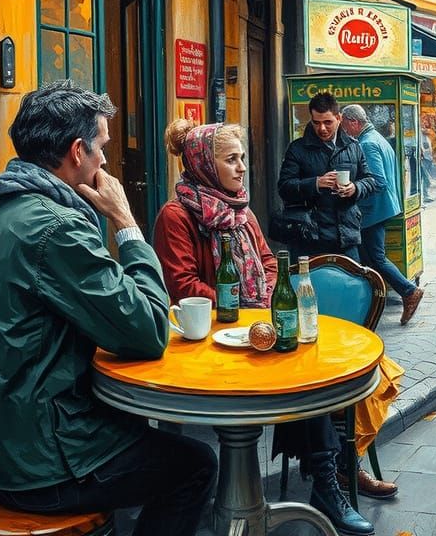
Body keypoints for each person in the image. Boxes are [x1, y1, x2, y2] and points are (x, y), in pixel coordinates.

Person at [0, 81, 217, 536]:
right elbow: (148, 330)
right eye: (102, 147)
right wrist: (127, 222)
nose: (106, 162)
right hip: (38, 465)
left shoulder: (2, 211)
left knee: (143, 432)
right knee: (196, 465)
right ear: (77, 151)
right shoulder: (55, 227)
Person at [153, 120, 388, 533]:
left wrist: (263, 299)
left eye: (242, 157)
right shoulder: (177, 215)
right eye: (231, 159)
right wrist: (246, 309)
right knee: (295, 370)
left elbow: (267, 260)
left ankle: (325, 480)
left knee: (306, 371)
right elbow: (184, 286)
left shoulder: (238, 207)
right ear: (204, 164)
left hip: (252, 332)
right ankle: (318, 480)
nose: (242, 167)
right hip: (207, 347)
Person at [341, 104, 425, 325]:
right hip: (382, 207)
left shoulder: (367, 143)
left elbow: (378, 181)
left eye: (344, 126)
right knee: (370, 258)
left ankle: (408, 291)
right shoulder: (376, 138)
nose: (344, 131)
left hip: (374, 210)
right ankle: (377, 298)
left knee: (374, 257)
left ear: (353, 122)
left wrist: (353, 187)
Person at [277, 91, 377, 261]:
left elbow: (370, 181)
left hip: (346, 235)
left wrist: (355, 188)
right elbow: (284, 187)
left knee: (350, 284)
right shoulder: (297, 149)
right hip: (309, 237)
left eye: (327, 122)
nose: (322, 128)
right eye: (316, 123)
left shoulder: (353, 146)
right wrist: (316, 183)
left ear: (338, 118)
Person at [419, 116, 436, 202]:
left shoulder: (429, 132)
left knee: (427, 177)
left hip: (429, 157)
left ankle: (426, 195)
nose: (424, 124)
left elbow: (435, 143)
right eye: (422, 122)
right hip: (423, 158)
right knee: (426, 177)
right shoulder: (418, 133)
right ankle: (425, 195)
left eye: (425, 122)